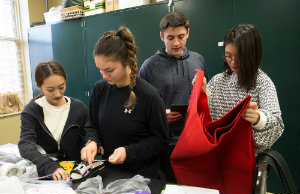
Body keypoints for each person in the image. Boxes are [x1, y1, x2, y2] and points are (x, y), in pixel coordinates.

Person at [80, 26, 168, 179]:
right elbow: (91, 125)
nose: (104, 75)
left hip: (141, 177)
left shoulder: (149, 96)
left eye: (109, 70)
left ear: (127, 61)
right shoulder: (100, 89)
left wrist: (129, 152)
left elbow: (160, 141)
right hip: (110, 173)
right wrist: (92, 141)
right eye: (100, 69)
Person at [139, 11, 209, 182]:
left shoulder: (198, 60)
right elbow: (139, 107)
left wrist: (206, 90)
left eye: (181, 36)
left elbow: (206, 98)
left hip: (195, 139)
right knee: (170, 189)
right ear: (162, 36)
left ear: (188, 33)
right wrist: (160, 114)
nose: (176, 43)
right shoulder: (149, 67)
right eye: (170, 38)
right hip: (165, 143)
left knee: (195, 188)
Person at [205, 24, 284, 155]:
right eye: (228, 56)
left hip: (243, 158)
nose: (233, 62)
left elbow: (277, 125)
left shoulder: (263, 83)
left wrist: (259, 118)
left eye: (239, 57)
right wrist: (202, 95)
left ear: (252, 55)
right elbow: (204, 118)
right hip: (215, 152)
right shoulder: (217, 80)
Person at [18, 61, 96, 180]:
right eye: (50, 90)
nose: (58, 93)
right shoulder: (31, 111)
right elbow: (26, 145)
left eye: (61, 87)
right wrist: (48, 166)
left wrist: (91, 142)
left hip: (76, 173)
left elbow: (90, 130)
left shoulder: (78, 108)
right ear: (39, 86)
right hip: (46, 172)